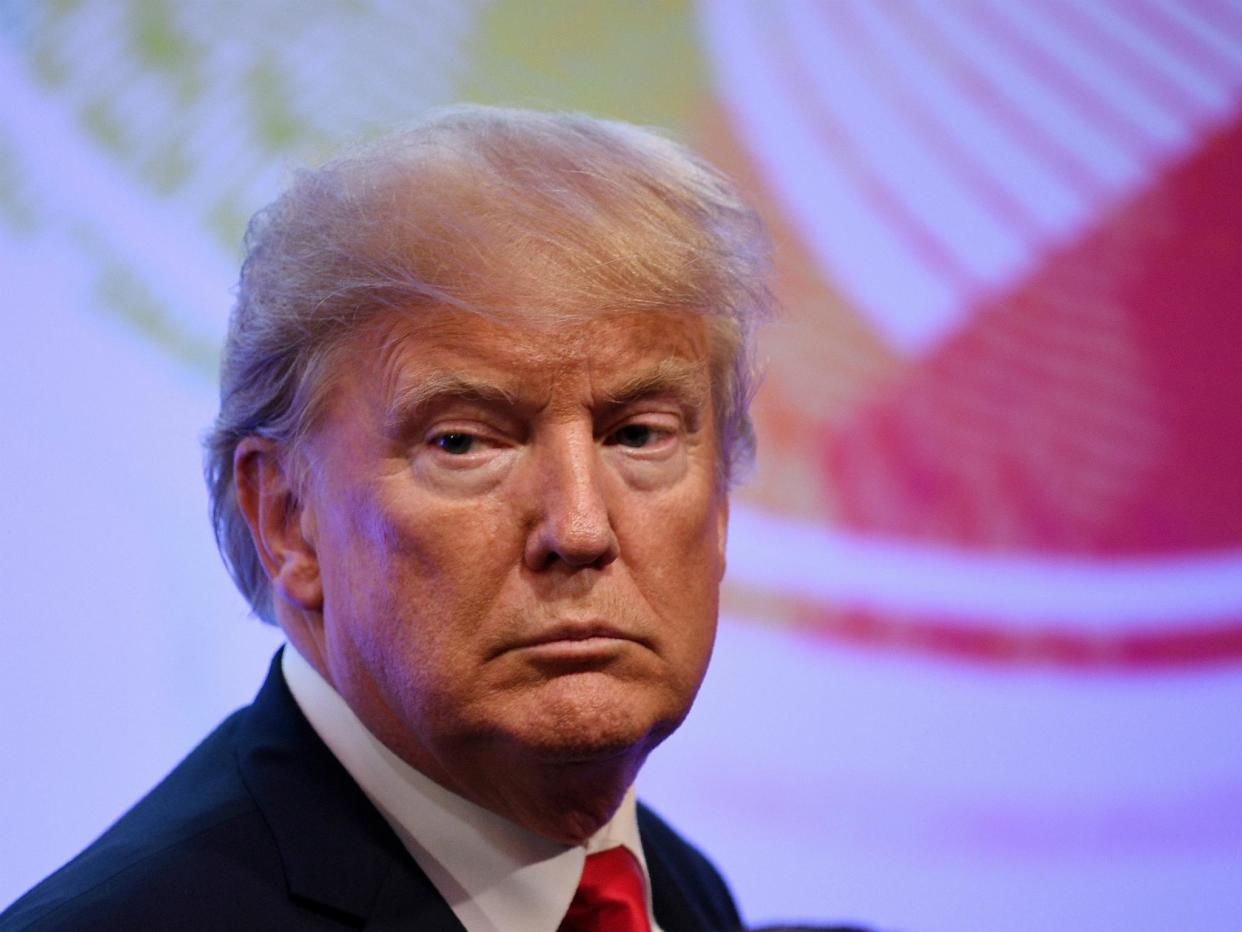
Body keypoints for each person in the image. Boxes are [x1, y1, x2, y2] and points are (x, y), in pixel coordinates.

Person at [1, 105, 773, 931]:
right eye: (464, 441)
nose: (580, 529)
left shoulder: (676, 891)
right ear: (287, 520)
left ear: (721, 501)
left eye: (639, 434)